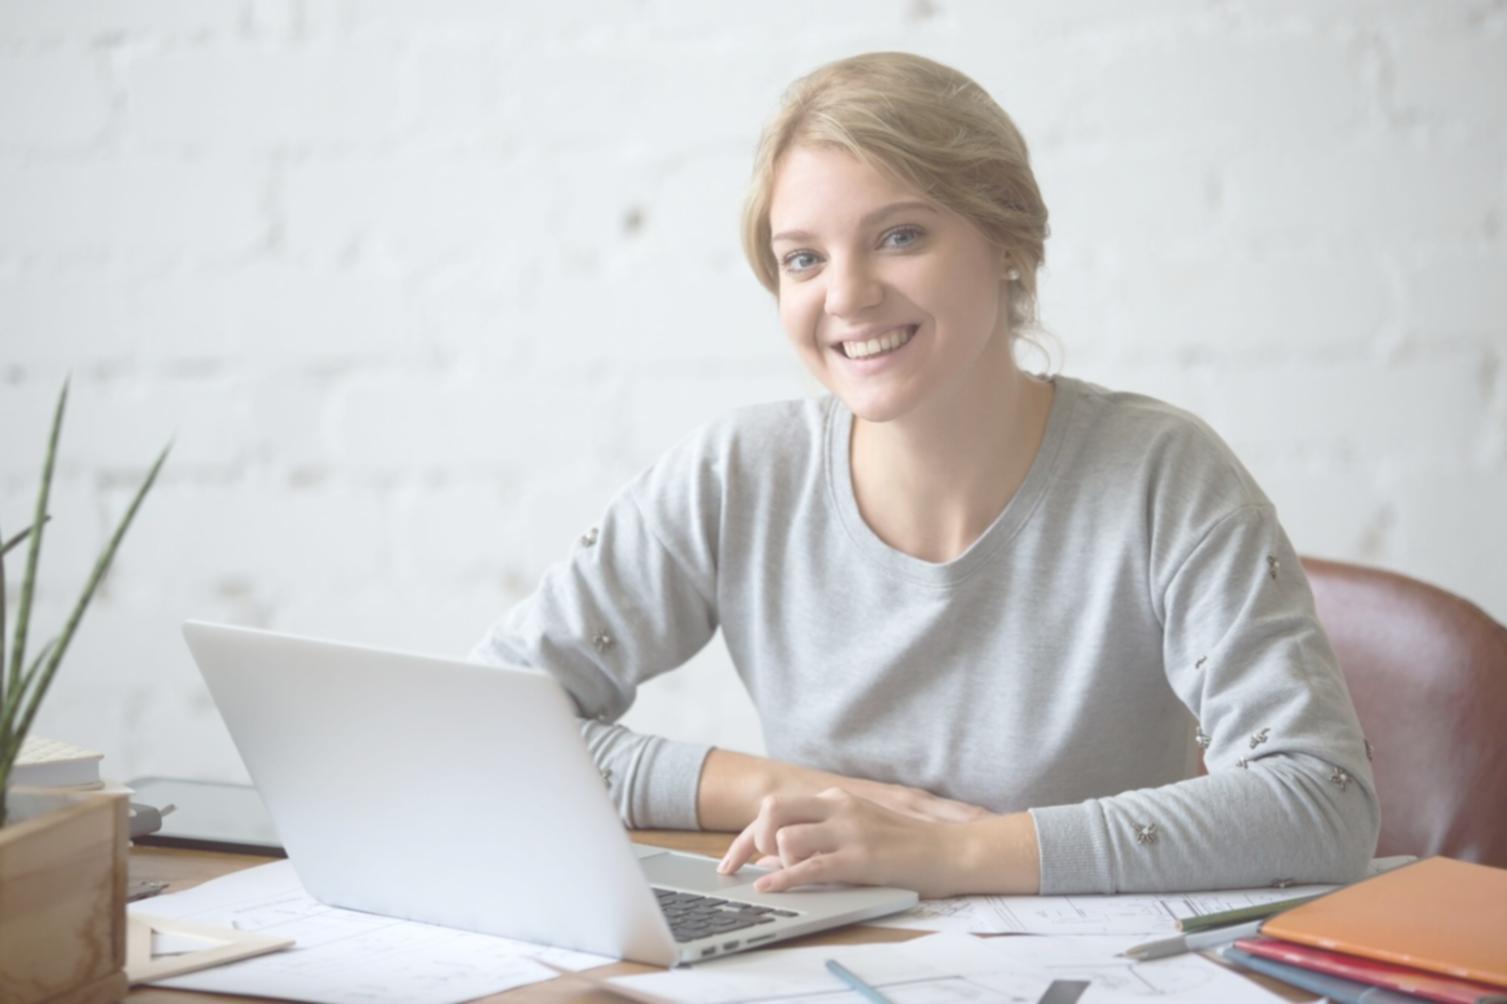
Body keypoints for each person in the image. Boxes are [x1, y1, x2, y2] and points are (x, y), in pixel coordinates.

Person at [468, 51, 1379, 898]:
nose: (847, 295)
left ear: (1007, 242)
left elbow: (1320, 798)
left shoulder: (1160, 474)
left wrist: (953, 853)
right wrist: (781, 788)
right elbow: (488, 721)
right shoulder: (734, 474)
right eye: (803, 259)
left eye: (899, 236)